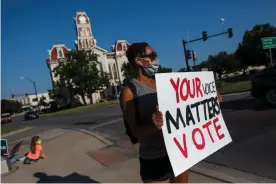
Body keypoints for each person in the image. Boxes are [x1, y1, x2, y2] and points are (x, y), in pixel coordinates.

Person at [120, 42, 222, 183]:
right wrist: (153, 125)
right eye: (153, 56)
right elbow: (135, 131)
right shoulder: (129, 91)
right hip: (154, 159)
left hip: (179, 152)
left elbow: (188, 106)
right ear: (138, 60)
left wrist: (210, 98)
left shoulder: (162, 83)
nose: (156, 59)